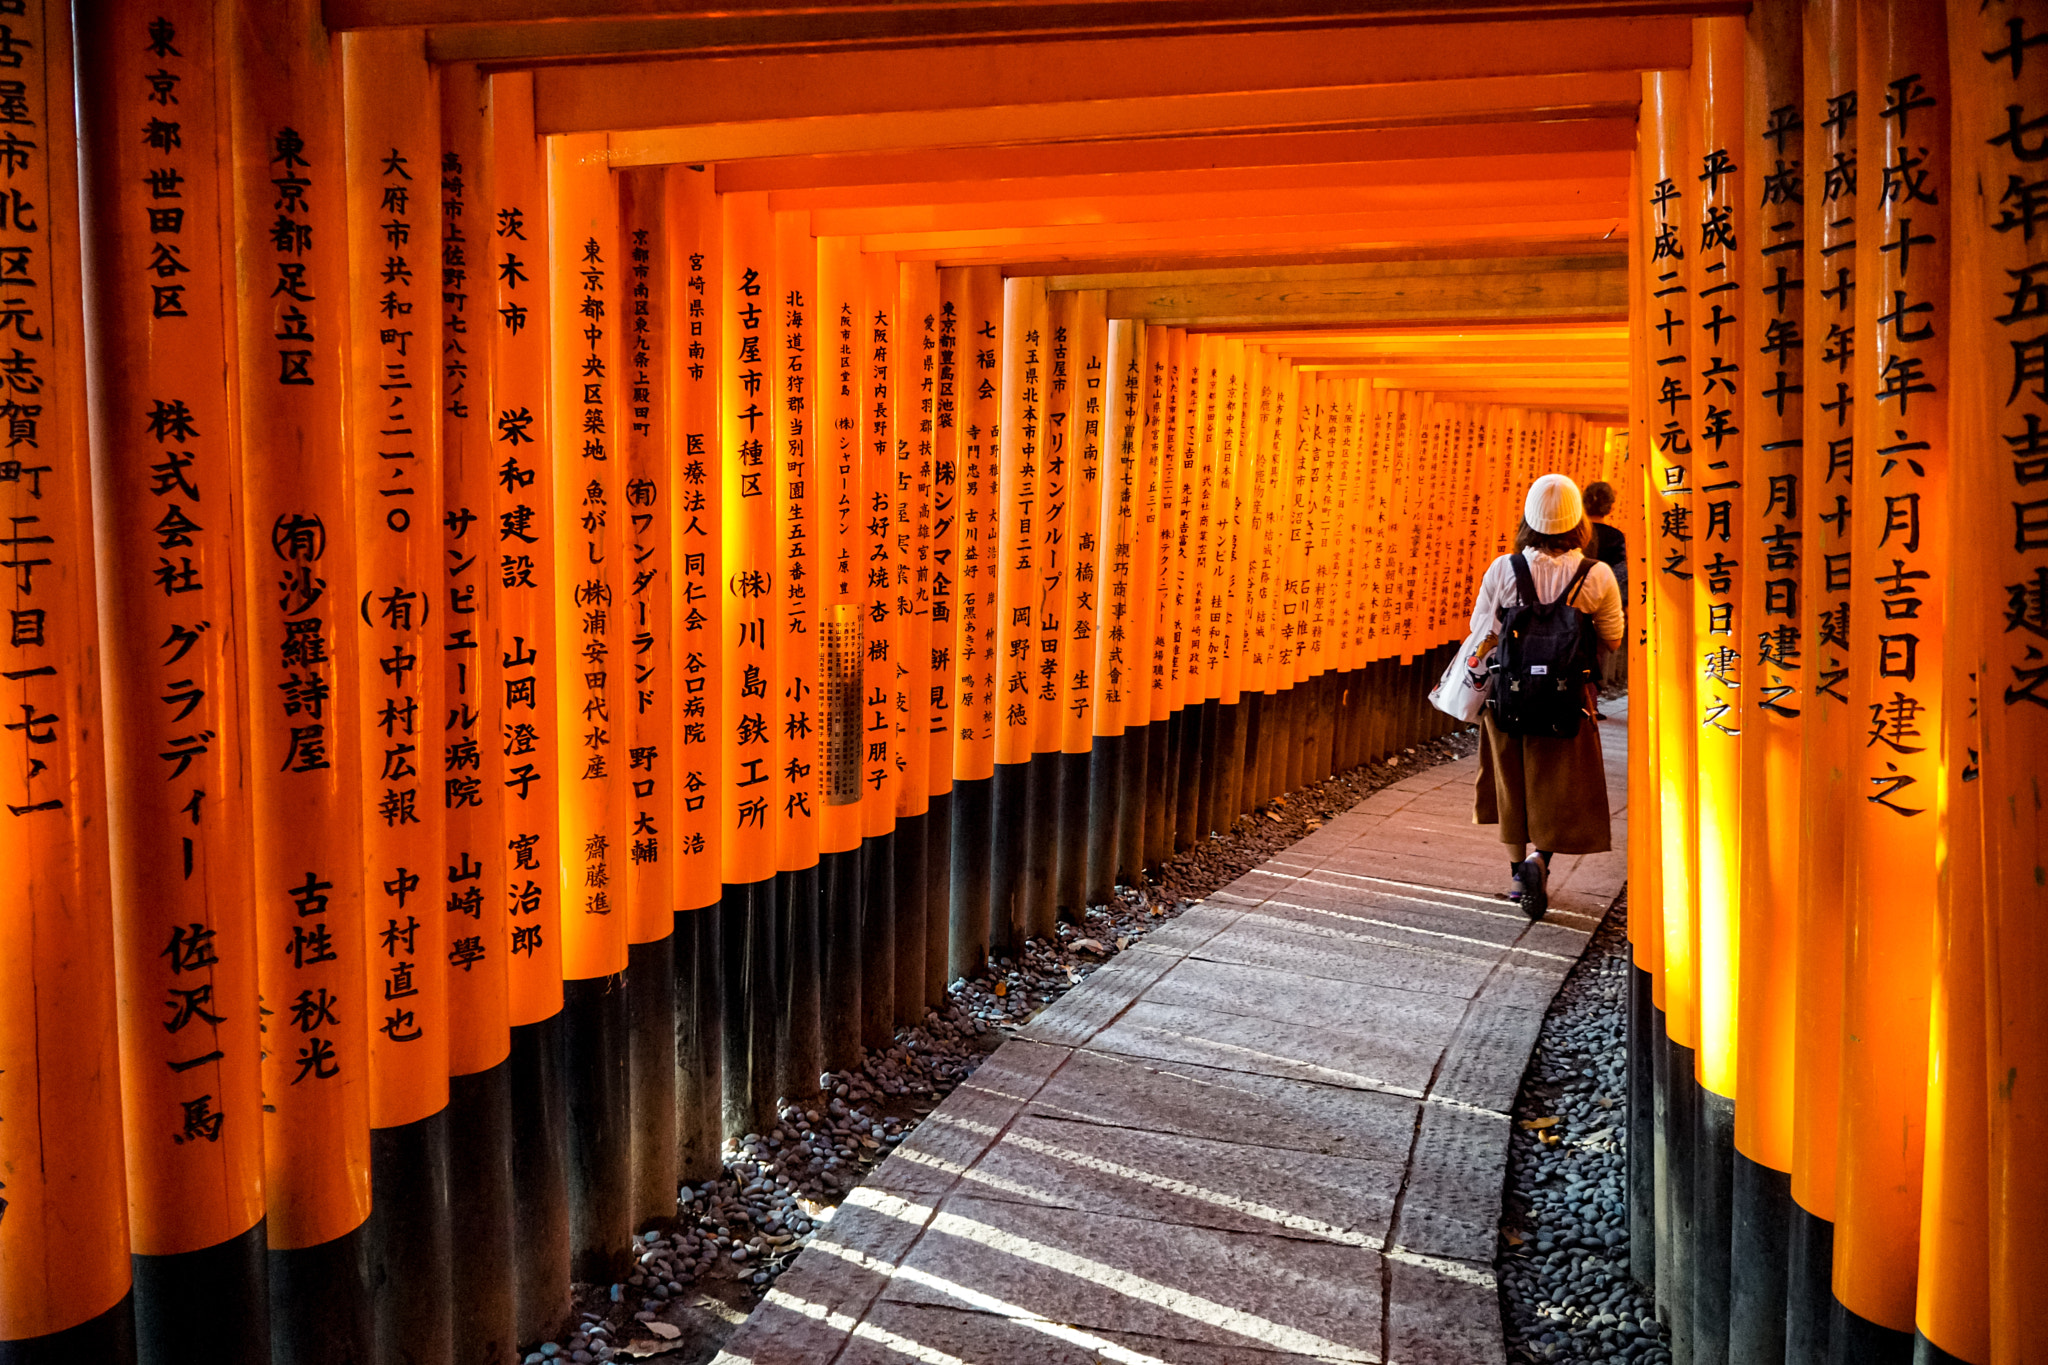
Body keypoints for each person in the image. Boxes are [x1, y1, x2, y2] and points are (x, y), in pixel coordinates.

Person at [1469, 473, 1624, 919]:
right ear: (1579, 522)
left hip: (1509, 697)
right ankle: (1542, 860)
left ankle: (1519, 872)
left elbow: (1482, 632)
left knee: (1511, 780)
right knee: (1558, 784)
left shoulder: (1504, 569)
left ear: (1528, 518)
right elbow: (1612, 638)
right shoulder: (1595, 576)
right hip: (1567, 699)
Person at [1582, 480, 1628, 696]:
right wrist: (1622, 606)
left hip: (1574, 601)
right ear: (1609, 506)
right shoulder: (1615, 537)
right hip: (1604, 601)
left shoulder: (1575, 532)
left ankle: (1585, 700)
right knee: (1597, 654)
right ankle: (1592, 700)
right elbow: (1621, 575)